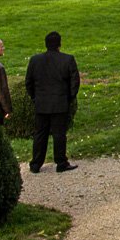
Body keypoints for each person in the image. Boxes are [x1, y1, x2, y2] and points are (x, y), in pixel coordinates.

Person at [26, 30, 81, 173]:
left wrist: (35, 97)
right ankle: (61, 162)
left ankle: (36, 164)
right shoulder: (67, 59)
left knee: (40, 134)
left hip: (41, 102)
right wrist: (69, 98)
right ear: (59, 44)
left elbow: (29, 82)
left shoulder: (35, 60)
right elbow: (75, 82)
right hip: (59, 102)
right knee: (59, 134)